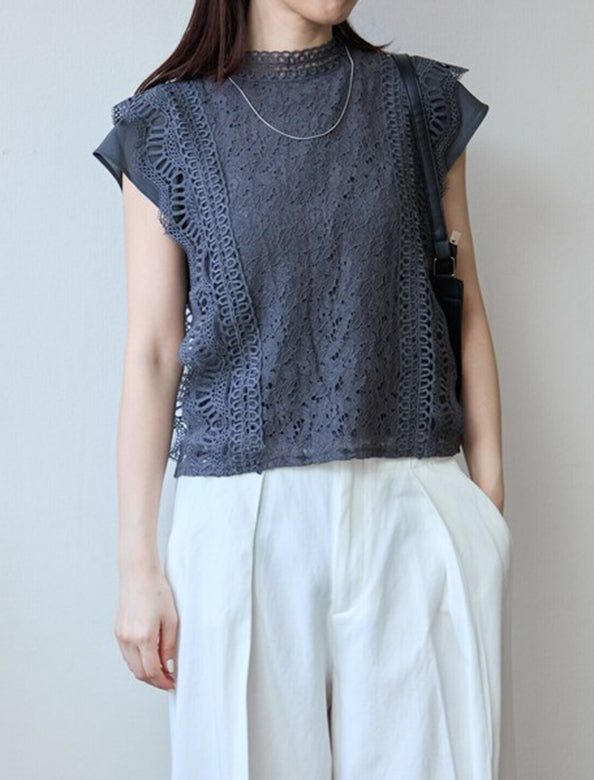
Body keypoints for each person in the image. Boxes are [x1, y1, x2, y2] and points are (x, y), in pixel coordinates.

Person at [92, 1, 514, 778]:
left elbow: (468, 308)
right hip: (242, 518)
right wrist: (136, 566)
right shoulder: (167, 126)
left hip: (412, 503)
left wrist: (486, 509)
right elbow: (152, 352)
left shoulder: (418, 102)